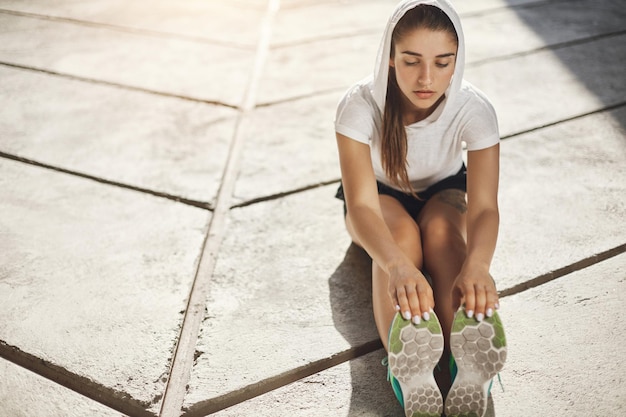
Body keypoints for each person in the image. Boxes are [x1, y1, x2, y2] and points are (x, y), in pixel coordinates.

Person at [334, 1, 507, 416]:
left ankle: (464, 361)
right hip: (379, 198)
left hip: (445, 191)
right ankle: (406, 371)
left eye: (442, 62)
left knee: (445, 237)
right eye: (411, 61)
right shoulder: (359, 106)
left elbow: (484, 207)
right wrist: (396, 265)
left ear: (456, 62)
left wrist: (479, 266)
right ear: (391, 58)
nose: (427, 78)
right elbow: (360, 204)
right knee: (402, 239)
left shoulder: (474, 109)